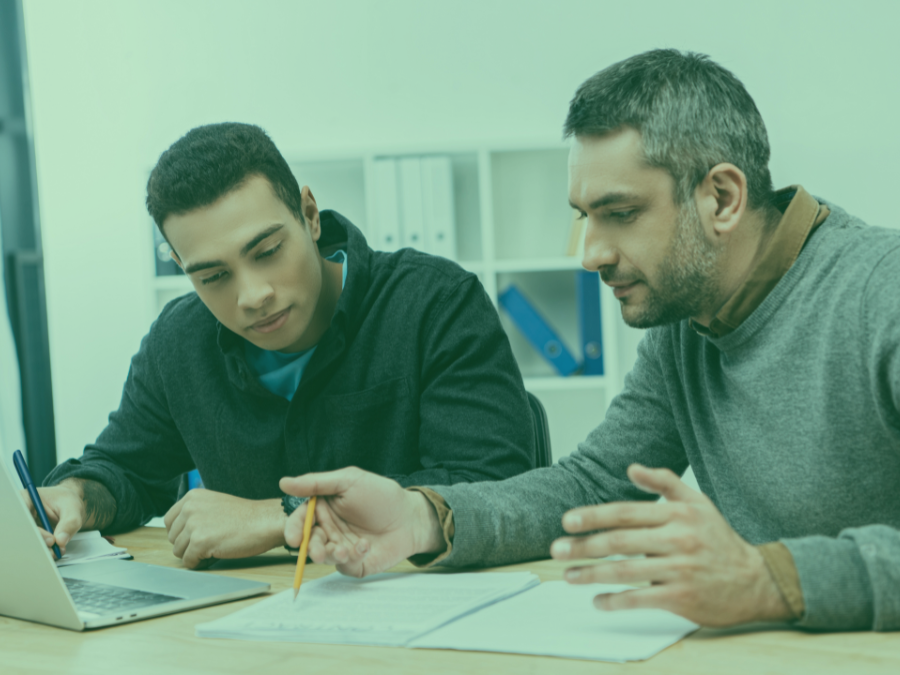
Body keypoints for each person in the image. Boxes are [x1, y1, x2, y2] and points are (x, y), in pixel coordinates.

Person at [280, 49, 900, 632]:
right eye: (584, 216)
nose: (590, 254)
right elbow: (594, 483)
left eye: (621, 214)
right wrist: (422, 517)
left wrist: (768, 579)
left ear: (722, 198)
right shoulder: (689, 317)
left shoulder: (883, 293)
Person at [24, 123, 537, 568]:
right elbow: (126, 471)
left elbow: (491, 491)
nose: (253, 296)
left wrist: (278, 517)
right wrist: (75, 496)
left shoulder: (435, 303)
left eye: (267, 251)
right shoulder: (179, 340)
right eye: (212, 276)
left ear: (309, 214)